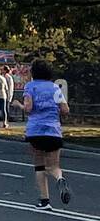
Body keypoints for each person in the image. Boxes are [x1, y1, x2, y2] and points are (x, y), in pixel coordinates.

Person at [22, 59, 71, 210]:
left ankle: (45, 200)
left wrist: (19, 105)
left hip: (35, 131)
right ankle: (60, 178)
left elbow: (28, 108)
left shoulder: (30, 86)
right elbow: (65, 109)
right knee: (54, 166)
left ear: (33, 72)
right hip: (54, 131)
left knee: (39, 166)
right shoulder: (55, 88)